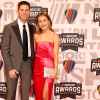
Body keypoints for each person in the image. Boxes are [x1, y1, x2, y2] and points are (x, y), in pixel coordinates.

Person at [1, 1, 36, 100]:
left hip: (27, 65)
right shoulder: (9, 27)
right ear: (17, 11)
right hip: (13, 64)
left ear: (29, 11)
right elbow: (4, 49)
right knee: (11, 94)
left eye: (27, 10)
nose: (24, 12)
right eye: (22, 10)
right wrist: (10, 67)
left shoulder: (33, 28)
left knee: (25, 95)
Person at [32, 13, 59, 100]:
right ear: (38, 24)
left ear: (49, 21)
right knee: (39, 95)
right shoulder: (36, 36)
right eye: (40, 21)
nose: (42, 23)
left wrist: (55, 70)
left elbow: (55, 54)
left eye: (44, 20)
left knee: (46, 96)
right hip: (37, 68)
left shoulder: (54, 35)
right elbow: (34, 54)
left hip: (49, 69)